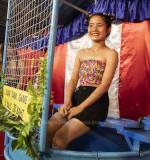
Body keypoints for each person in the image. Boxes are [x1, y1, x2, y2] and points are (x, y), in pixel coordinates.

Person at [46, 13, 118, 150]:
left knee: (59, 139)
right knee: (48, 130)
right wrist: (68, 101)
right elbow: (73, 79)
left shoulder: (111, 53)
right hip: (77, 98)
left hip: (95, 104)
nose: (94, 29)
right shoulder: (82, 52)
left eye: (99, 25)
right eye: (91, 25)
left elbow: (104, 86)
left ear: (108, 29)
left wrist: (80, 108)